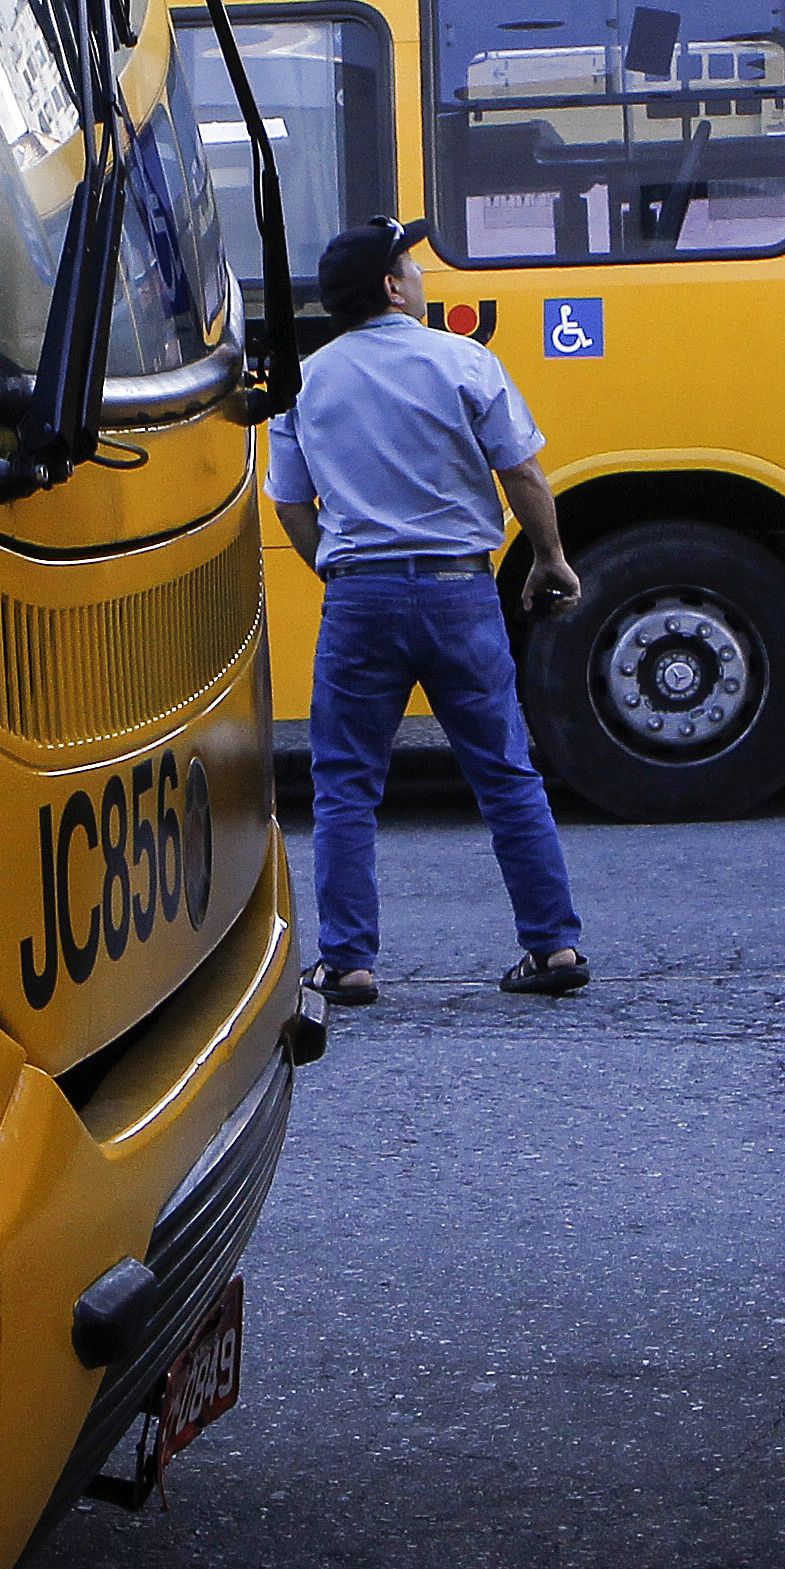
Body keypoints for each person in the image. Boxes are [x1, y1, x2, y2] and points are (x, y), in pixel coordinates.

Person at [268, 222, 588, 1004]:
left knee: (344, 784)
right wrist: (550, 558)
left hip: (360, 598)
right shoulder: (462, 359)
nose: (418, 274)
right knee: (506, 773)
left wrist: (338, 569)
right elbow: (524, 477)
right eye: (409, 264)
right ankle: (552, 949)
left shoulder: (304, 383)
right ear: (390, 286)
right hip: (459, 590)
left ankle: (347, 963)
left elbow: (289, 503)